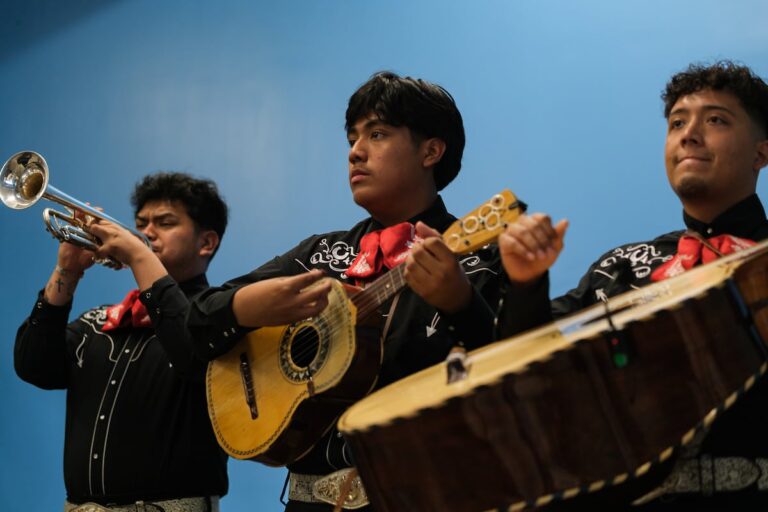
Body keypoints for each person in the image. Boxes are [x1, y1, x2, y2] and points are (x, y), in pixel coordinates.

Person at [188, 71, 502, 511]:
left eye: (378, 134)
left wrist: (463, 305)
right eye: (353, 137)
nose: (356, 151)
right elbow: (197, 318)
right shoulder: (321, 252)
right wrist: (248, 305)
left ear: (431, 150)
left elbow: (516, 389)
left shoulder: (478, 261)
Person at [498, 61, 768, 508]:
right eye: (677, 122)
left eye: (716, 120)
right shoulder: (621, 266)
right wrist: (525, 284)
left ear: (761, 153)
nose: (689, 134)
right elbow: (527, 372)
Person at [15, 172, 230, 511]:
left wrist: (140, 258)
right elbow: (34, 366)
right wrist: (67, 271)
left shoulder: (220, 316)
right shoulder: (101, 322)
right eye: (141, 223)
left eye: (165, 222)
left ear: (206, 243)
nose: (146, 233)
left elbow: (190, 348)